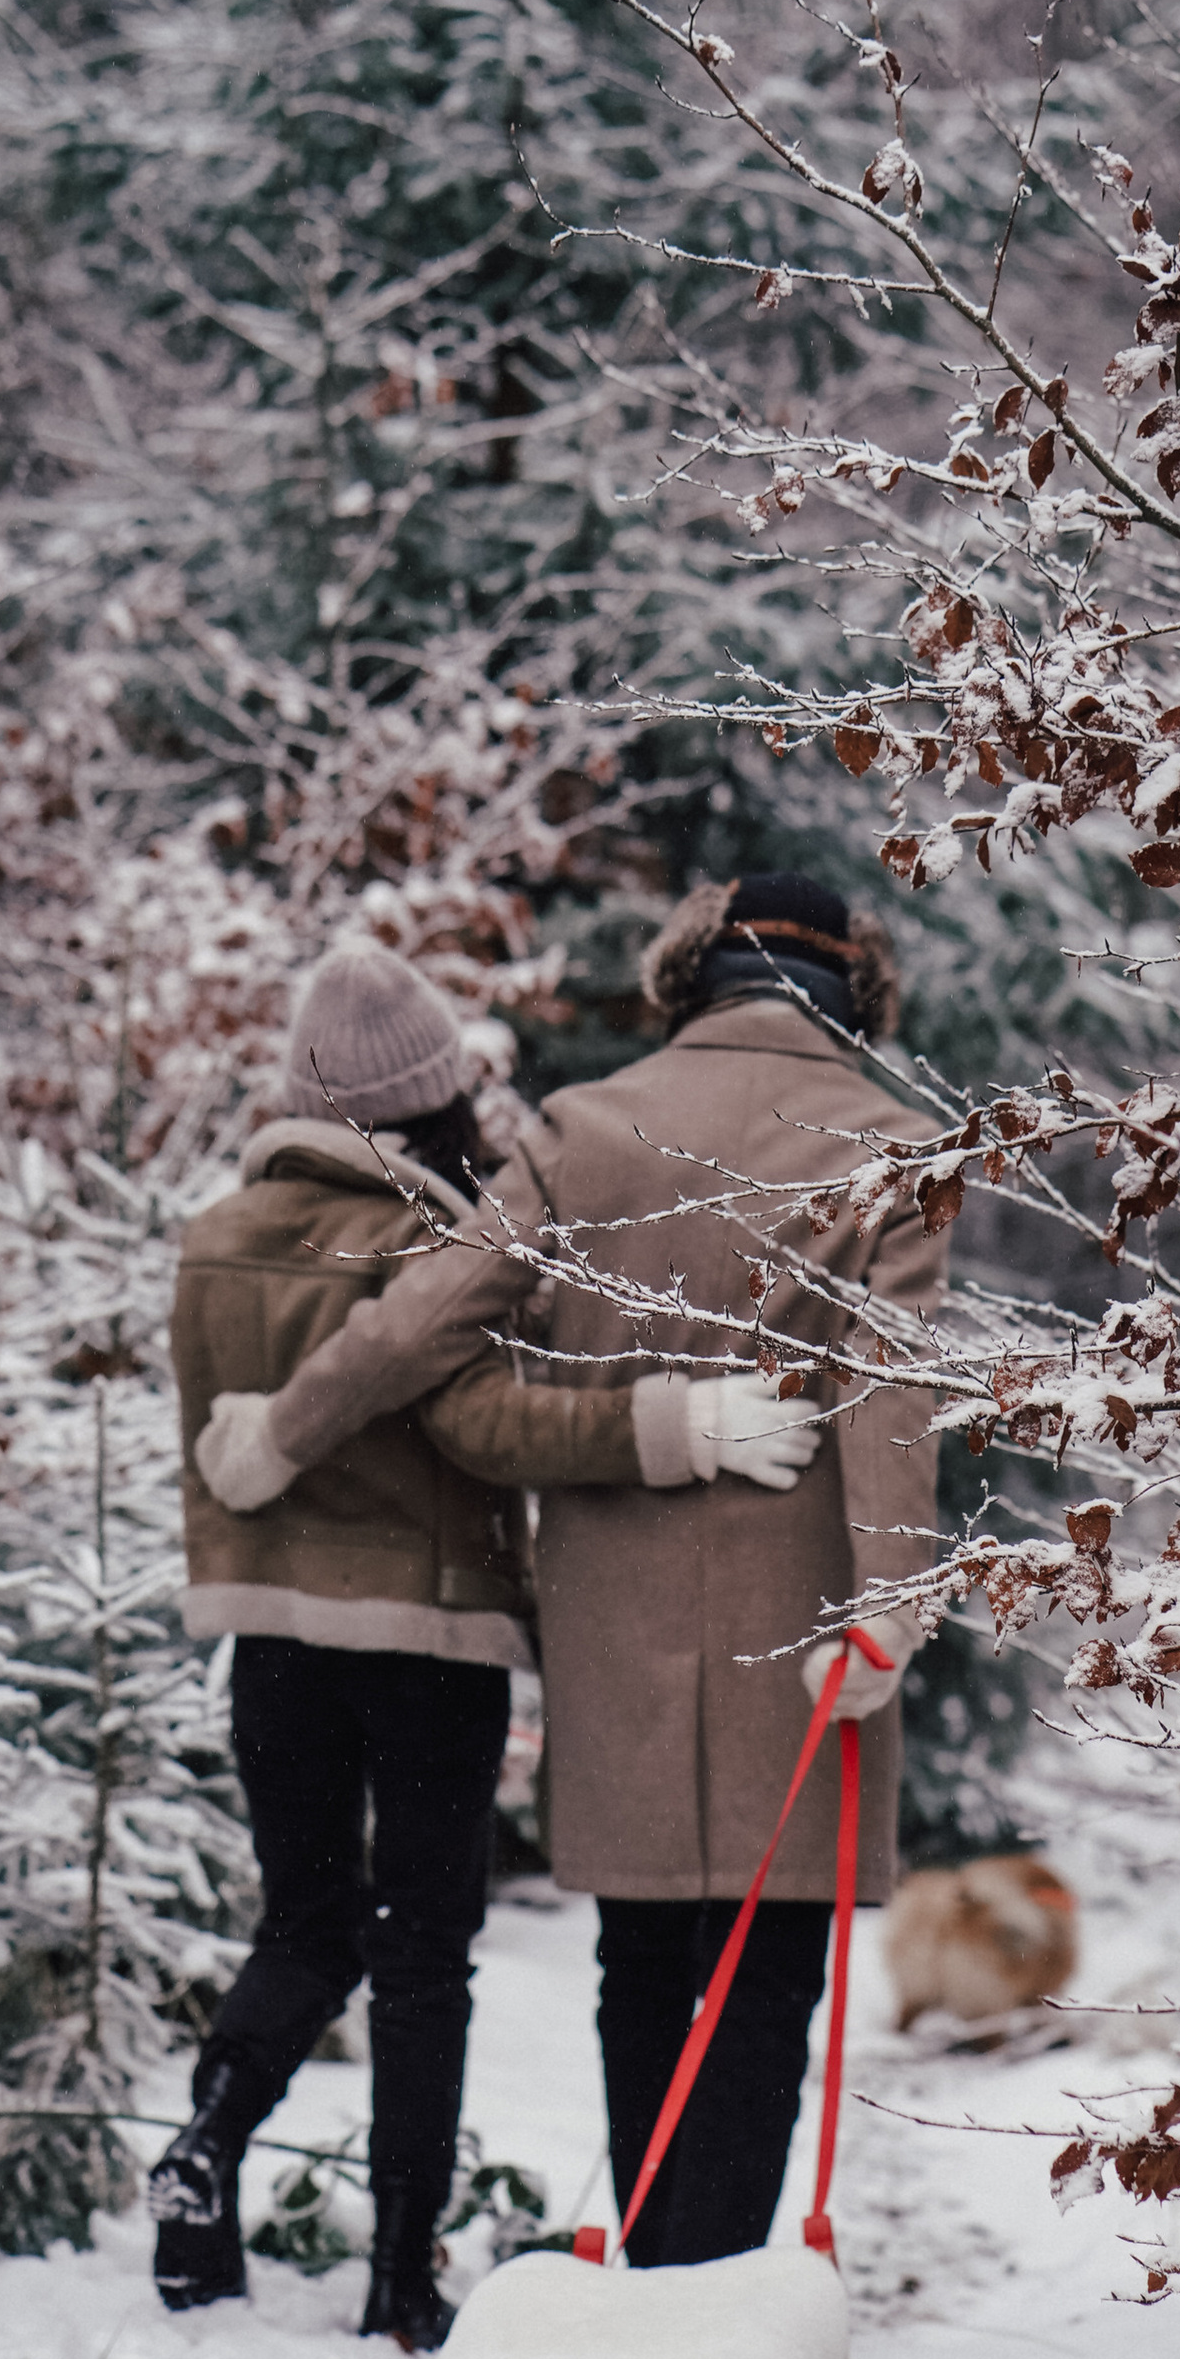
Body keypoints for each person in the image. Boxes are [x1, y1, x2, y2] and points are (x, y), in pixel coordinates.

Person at [196, 873, 950, 2269]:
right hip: (810, 1626)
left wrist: (278, 1439)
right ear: (861, 991)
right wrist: (892, 1599)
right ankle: (708, 2302)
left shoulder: (581, 1131)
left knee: (644, 1962)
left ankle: (660, 2285)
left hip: (622, 1629)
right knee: (765, 1973)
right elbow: (894, 1396)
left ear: (687, 973)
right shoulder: (892, 1152)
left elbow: (419, 1322)